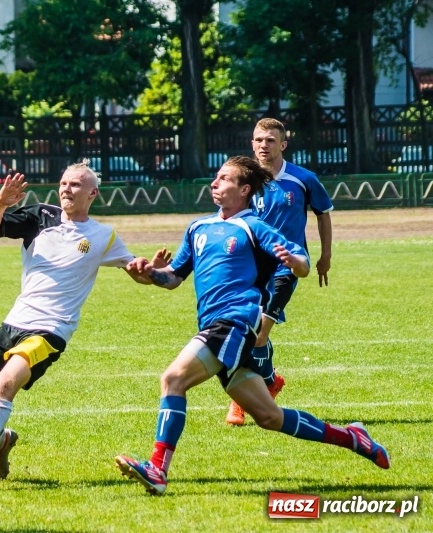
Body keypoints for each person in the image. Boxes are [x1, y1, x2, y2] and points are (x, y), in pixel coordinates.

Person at [115, 156, 388, 496]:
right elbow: (172, 278)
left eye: (224, 178)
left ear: (244, 189)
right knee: (269, 417)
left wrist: (297, 262)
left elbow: (300, 263)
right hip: (217, 326)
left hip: (235, 322)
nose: (214, 182)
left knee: (173, 379)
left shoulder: (254, 226)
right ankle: (353, 437)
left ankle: (157, 469)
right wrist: (147, 274)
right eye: (216, 177)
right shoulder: (198, 227)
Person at [0, 160, 149, 485]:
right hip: (15, 320)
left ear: (93, 193)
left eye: (76, 184)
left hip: (52, 329)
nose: (67, 189)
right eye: (64, 183)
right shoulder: (39, 216)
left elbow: (136, 270)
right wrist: (1, 203)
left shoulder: (103, 236)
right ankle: (2, 440)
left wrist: (148, 269)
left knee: (6, 382)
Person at [225, 118, 334, 426]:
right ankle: (271, 380)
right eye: (259, 140)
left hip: (288, 265)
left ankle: (239, 402)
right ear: (252, 143)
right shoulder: (243, 181)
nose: (264, 145)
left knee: (259, 334)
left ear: (283, 144)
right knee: (247, 331)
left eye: (271, 140)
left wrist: (325, 255)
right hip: (250, 268)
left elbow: (323, 214)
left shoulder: (303, 179)